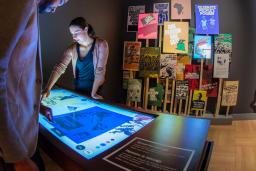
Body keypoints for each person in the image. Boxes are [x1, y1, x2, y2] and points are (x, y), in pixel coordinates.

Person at [0, 0, 68, 171]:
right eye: (62, 0)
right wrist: (16, 156)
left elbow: (14, 75)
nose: (58, 7)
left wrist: (35, 106)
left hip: (19, 140)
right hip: (10, 147)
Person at [42, 17, 109, 100]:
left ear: (86, 29)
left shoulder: (101, 45)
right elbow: (59, 68)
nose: (74, 37)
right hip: (78, 92)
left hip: (95, 92)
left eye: (76, 32)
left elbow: (100, 72)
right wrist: (47, 88)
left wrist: (93, 93)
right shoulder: (72, 49)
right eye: (72, 34)